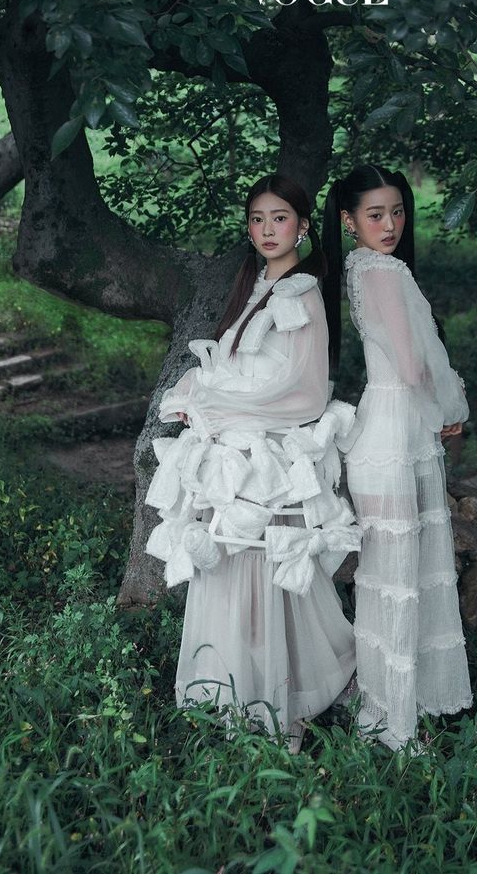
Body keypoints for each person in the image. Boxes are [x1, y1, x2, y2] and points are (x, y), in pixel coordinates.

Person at [145, 174, 359, 753]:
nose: (268, 230)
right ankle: (230, 689)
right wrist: (205, 399)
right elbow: (239, 367)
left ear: (304, 225)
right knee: (227, 570)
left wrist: (213, 402)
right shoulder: (257, 286)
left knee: (263, 575)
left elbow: (300, 388)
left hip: (265, 459)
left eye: (280, 218)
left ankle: (274, 697)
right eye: (259, 219)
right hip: (235, 450)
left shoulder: (300, 293)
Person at [322, 164, 472, 750]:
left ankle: (391, 704)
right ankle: (395, 722)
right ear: (349, 219)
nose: (389, 225)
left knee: (388, 577)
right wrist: (448, 405)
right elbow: (414, 367)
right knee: (400, 577)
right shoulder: (383, 270)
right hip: (395, 433)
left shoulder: (360, 267)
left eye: (397, 212)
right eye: (375, 214)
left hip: (382, 429)